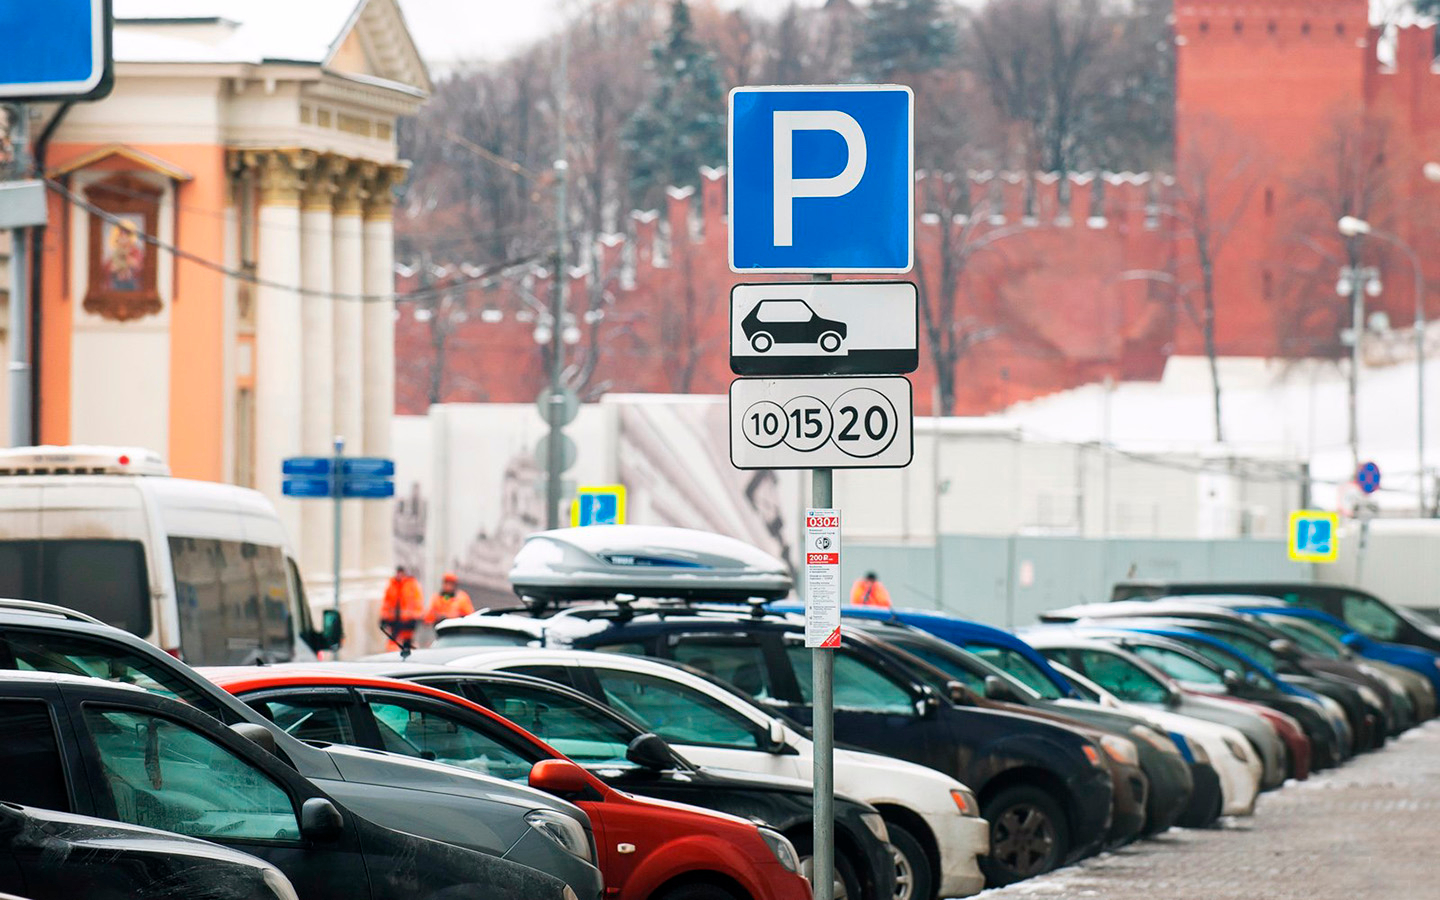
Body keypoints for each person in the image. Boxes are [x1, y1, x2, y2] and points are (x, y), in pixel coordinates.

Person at [379, 565, 424, 651]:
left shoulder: (412, 585)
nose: (399, 575)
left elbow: (417, 602)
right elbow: (386, 603)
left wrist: (416, 617)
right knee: (393, 644)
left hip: (408, 622)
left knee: (408, 645)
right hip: (394, 622)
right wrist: (383, 617)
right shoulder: (391, 585)